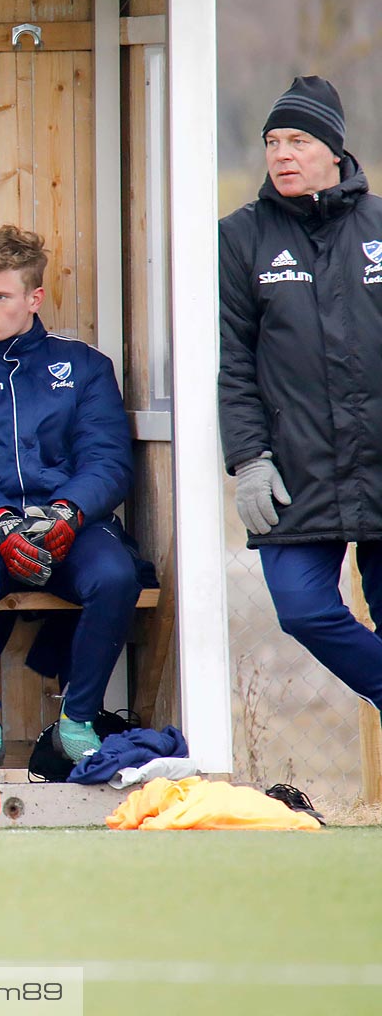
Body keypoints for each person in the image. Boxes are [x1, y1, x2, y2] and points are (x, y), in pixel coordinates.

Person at [0, 226, 139, 773]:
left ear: (34, 298)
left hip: (70, 521)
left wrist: (68, 512)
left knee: (117, 576)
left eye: (0, 296)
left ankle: (78, 722)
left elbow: (108, 460)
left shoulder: (85, 365)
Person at [220, 76, 382, 707]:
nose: (282, 154)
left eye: (298, 140)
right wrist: (249, 459)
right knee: (305, 611)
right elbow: (232, 362)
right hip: (298, 470)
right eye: (272, 141)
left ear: (334, 152)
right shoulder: (240, 237)